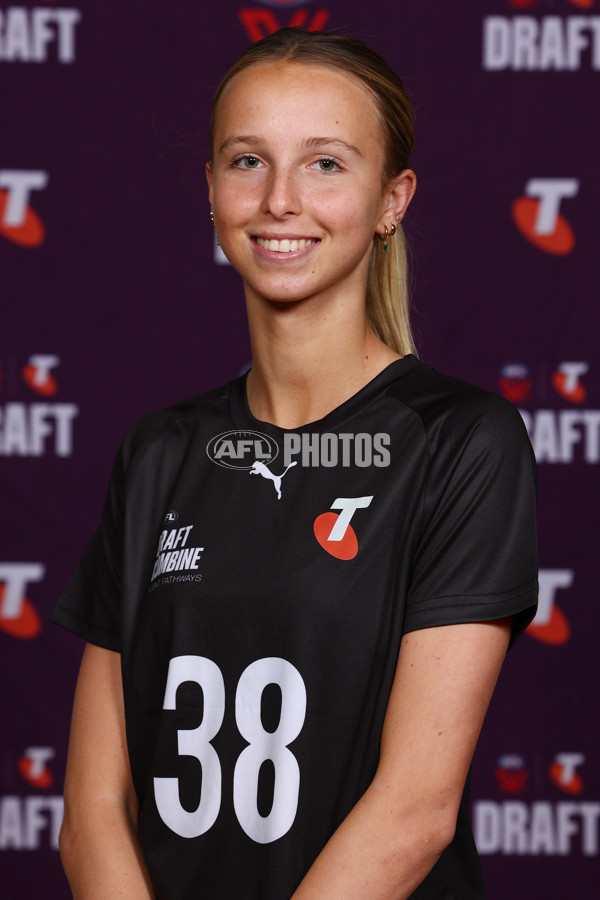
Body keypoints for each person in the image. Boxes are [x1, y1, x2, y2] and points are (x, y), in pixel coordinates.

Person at [52, 27, 538, 900]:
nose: (280, 199)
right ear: (210, 190)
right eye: (247, 161)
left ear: (393, 199)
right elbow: (91, 809)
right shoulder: (159, 453)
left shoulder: (462, 442)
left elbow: (415, 812)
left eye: (325, 164)